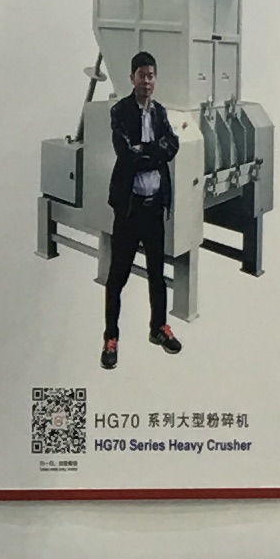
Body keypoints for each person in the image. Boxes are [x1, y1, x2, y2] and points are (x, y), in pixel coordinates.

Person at [103, 48, 184, 369]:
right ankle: (111, 337)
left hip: (154, 209)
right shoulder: (120, 111)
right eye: (141, 75)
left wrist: (146, 151)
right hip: (129, 208)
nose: (146, 81)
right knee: (117, 276)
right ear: (132, 77)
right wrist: (154, 152)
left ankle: (158, 328)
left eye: (151, 76)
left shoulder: (160, 112)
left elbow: (173, 145)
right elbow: (125, 154)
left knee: (156, 274)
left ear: (155, 79)